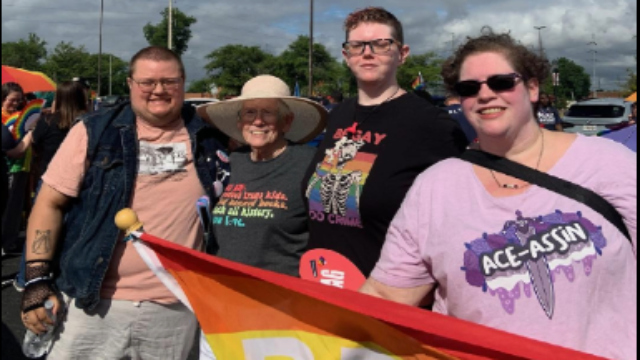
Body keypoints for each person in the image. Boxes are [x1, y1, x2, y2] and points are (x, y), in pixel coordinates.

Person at [361, 29, 636, 360]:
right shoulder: (436, 186)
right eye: (468, 88)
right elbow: (388, 295)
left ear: (532, 88)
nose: (485, 94)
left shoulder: (608, 162)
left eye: (502, 82)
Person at [20, 46, 230, 360]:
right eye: (147, 82)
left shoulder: (211, 138)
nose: (158, 90)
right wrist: (37, 279)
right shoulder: (93, 132)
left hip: (176, 307)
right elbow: (49, 203)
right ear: (130, 84)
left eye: (169, 81)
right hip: (92, 304)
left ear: (183, 82)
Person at [303, 7, 468, 277]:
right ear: (346, 56)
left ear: (402, 54)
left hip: (387, 295)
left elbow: (458, 219)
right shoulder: (339, 115)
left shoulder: (432, 124)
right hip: (322, 287)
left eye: (381, 44)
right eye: (357, 46)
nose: (367, 53)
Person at [199, 75, 326, 275]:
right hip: (224, 290)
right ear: (240, 122)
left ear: (287, 121)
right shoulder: (228, 162)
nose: (258, 121)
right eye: (250, 113)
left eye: (268, 113)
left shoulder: (311, 164)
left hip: (282, 295)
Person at [12, 80, 90, 291]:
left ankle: (24, 278)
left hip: (49, 181)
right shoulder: (87, 122)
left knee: (39, 231)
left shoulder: (47, 121)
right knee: (74, 231)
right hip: (81, 183)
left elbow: (33, 146)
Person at [1, 82, 31, 255]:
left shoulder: (23, 116)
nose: (16, 103)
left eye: (19, 100)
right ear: (3, 98)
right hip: (9, 166)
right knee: (7, 207)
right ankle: (5, 242)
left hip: (23, 166)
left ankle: (9, 241)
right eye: (13, 100)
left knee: (15, 207)